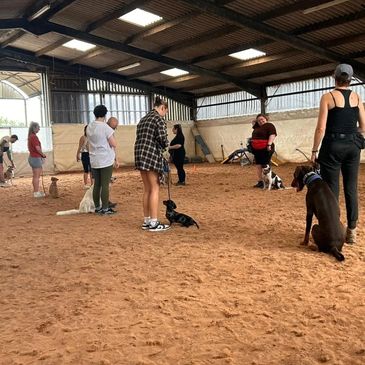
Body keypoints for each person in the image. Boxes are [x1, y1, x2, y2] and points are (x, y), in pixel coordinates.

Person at [311, 64, 365, 244]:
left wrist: (314, 150)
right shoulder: (357, 97)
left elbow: (321, 127)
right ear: (350, 79)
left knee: (332, 190)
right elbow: (364, 127)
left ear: (334, 77)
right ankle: (352, 230)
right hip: (352, 146)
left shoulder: (328, 97)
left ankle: (334, 228)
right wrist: (350, 133)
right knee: (351, 188)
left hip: (332, 146)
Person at [134, 96, 170, 231]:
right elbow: (162, 138)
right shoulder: (158, 119)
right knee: (155, 188)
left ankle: (147, 220)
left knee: (147, 189)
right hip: (151, 154)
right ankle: (154, 222)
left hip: (140, 154)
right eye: (165, 111)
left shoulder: (143, 119)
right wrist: (166, 148)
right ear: (162, 107)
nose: (164, 114)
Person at [87, 105, 117, 215]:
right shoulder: (105, 127)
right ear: (104, 114)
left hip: (94, 159)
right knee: (105, 185)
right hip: (105, 159)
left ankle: (98, 207)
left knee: (97, 184)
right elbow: (113, 143)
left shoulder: (90, 126)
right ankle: (105, 208)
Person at [250, 113, 277, 188]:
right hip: (257, 149)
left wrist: (269, 144)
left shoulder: (269, 125)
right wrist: (257, 120)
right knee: (258, 165)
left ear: (266, 119)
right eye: (259, 120)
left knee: (265, 165)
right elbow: (253, 122)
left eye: (262, 119)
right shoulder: (257, 127)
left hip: (266, 148)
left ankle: (269, 182)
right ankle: (260, 181)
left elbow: (272, 134)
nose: (261, 121)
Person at [28, 122, 46, 198]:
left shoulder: (31, 136)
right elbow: (37, 148)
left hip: (33, 157)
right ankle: (36, 192)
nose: (39, 129)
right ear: (34, 128)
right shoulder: (34, 137)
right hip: (35, 158)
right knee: (36, 176)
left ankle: (36, 191)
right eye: (38, 127)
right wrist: (43, 154)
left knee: (35, 176)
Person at [76, 125, 93, 189]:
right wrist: (77, 155)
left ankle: (92, 184)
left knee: (92, 170)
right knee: (86, 170)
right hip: (85, 154)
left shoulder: (92, 137)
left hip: (91, 154)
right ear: (85, 130)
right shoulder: (83, 138)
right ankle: (85, 184)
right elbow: (79, 147)